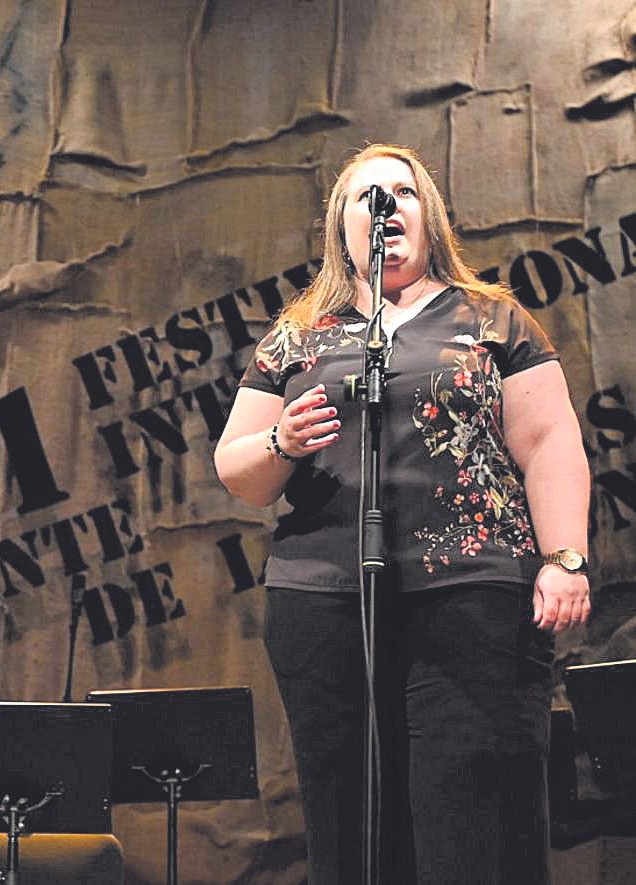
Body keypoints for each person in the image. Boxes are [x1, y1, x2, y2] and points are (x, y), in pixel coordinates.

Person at [214, 144, 590, 884]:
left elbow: (550, 442)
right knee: (349, 816)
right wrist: (279, 439)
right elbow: (240, 472)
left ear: (428, 217)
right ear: (341, 228)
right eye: (366, 197)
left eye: (401, 193)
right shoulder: (297, 333)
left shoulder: (490, 317)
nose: (385, 208)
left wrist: (563, 556)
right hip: (324, 602)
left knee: (472, 815)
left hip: (475, 594)